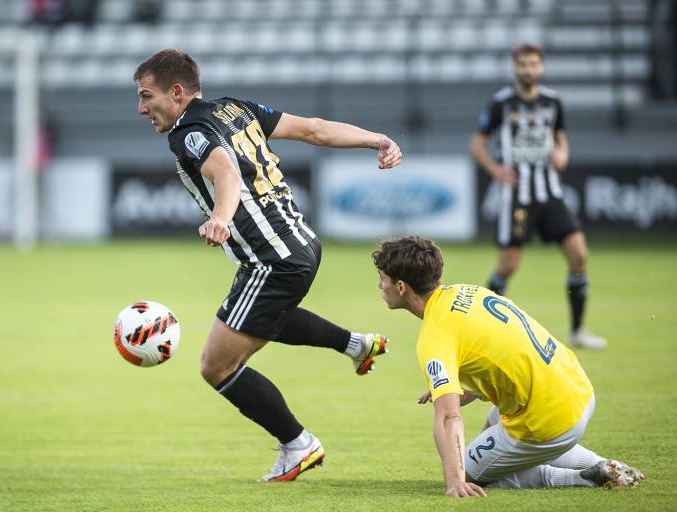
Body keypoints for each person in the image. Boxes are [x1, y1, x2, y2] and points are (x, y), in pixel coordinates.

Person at [134, 49, 402, 482]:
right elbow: (314, 129)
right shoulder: (236, 108)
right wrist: (377, 138)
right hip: (301, 244)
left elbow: (225, 171)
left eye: (147, 96)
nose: (141, 108)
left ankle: (298, 444)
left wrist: (221, 218)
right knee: (264, 316)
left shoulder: (189, 131)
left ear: (177, 92)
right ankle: (357, 345)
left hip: (272, 259)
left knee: (216, 366)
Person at [372, 236, 644, 497]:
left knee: (469, 473)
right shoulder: (468, 291)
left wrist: (455, 481)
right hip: (576, 388)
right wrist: (465, 389)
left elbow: (448, 417)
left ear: (401, 287)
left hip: (550, 418)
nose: (379, 286)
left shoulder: (434, 335)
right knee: (493, 430)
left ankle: (580, 478)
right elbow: (503, 347)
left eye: (382, 279)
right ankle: (603, 465)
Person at [469, 43, 607, 349]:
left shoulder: (553, 101)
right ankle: (480, 329)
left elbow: (560, 138)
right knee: (508, 265)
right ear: (515, 67)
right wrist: (496, 170)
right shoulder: (501, 103)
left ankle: (578, 330)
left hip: (550, 193)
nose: (528, 70)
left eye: (533, 64)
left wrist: (562, 153)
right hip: (517, 196)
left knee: (579, 254)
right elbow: (477, 145)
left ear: (541, 67)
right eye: (523, 64)